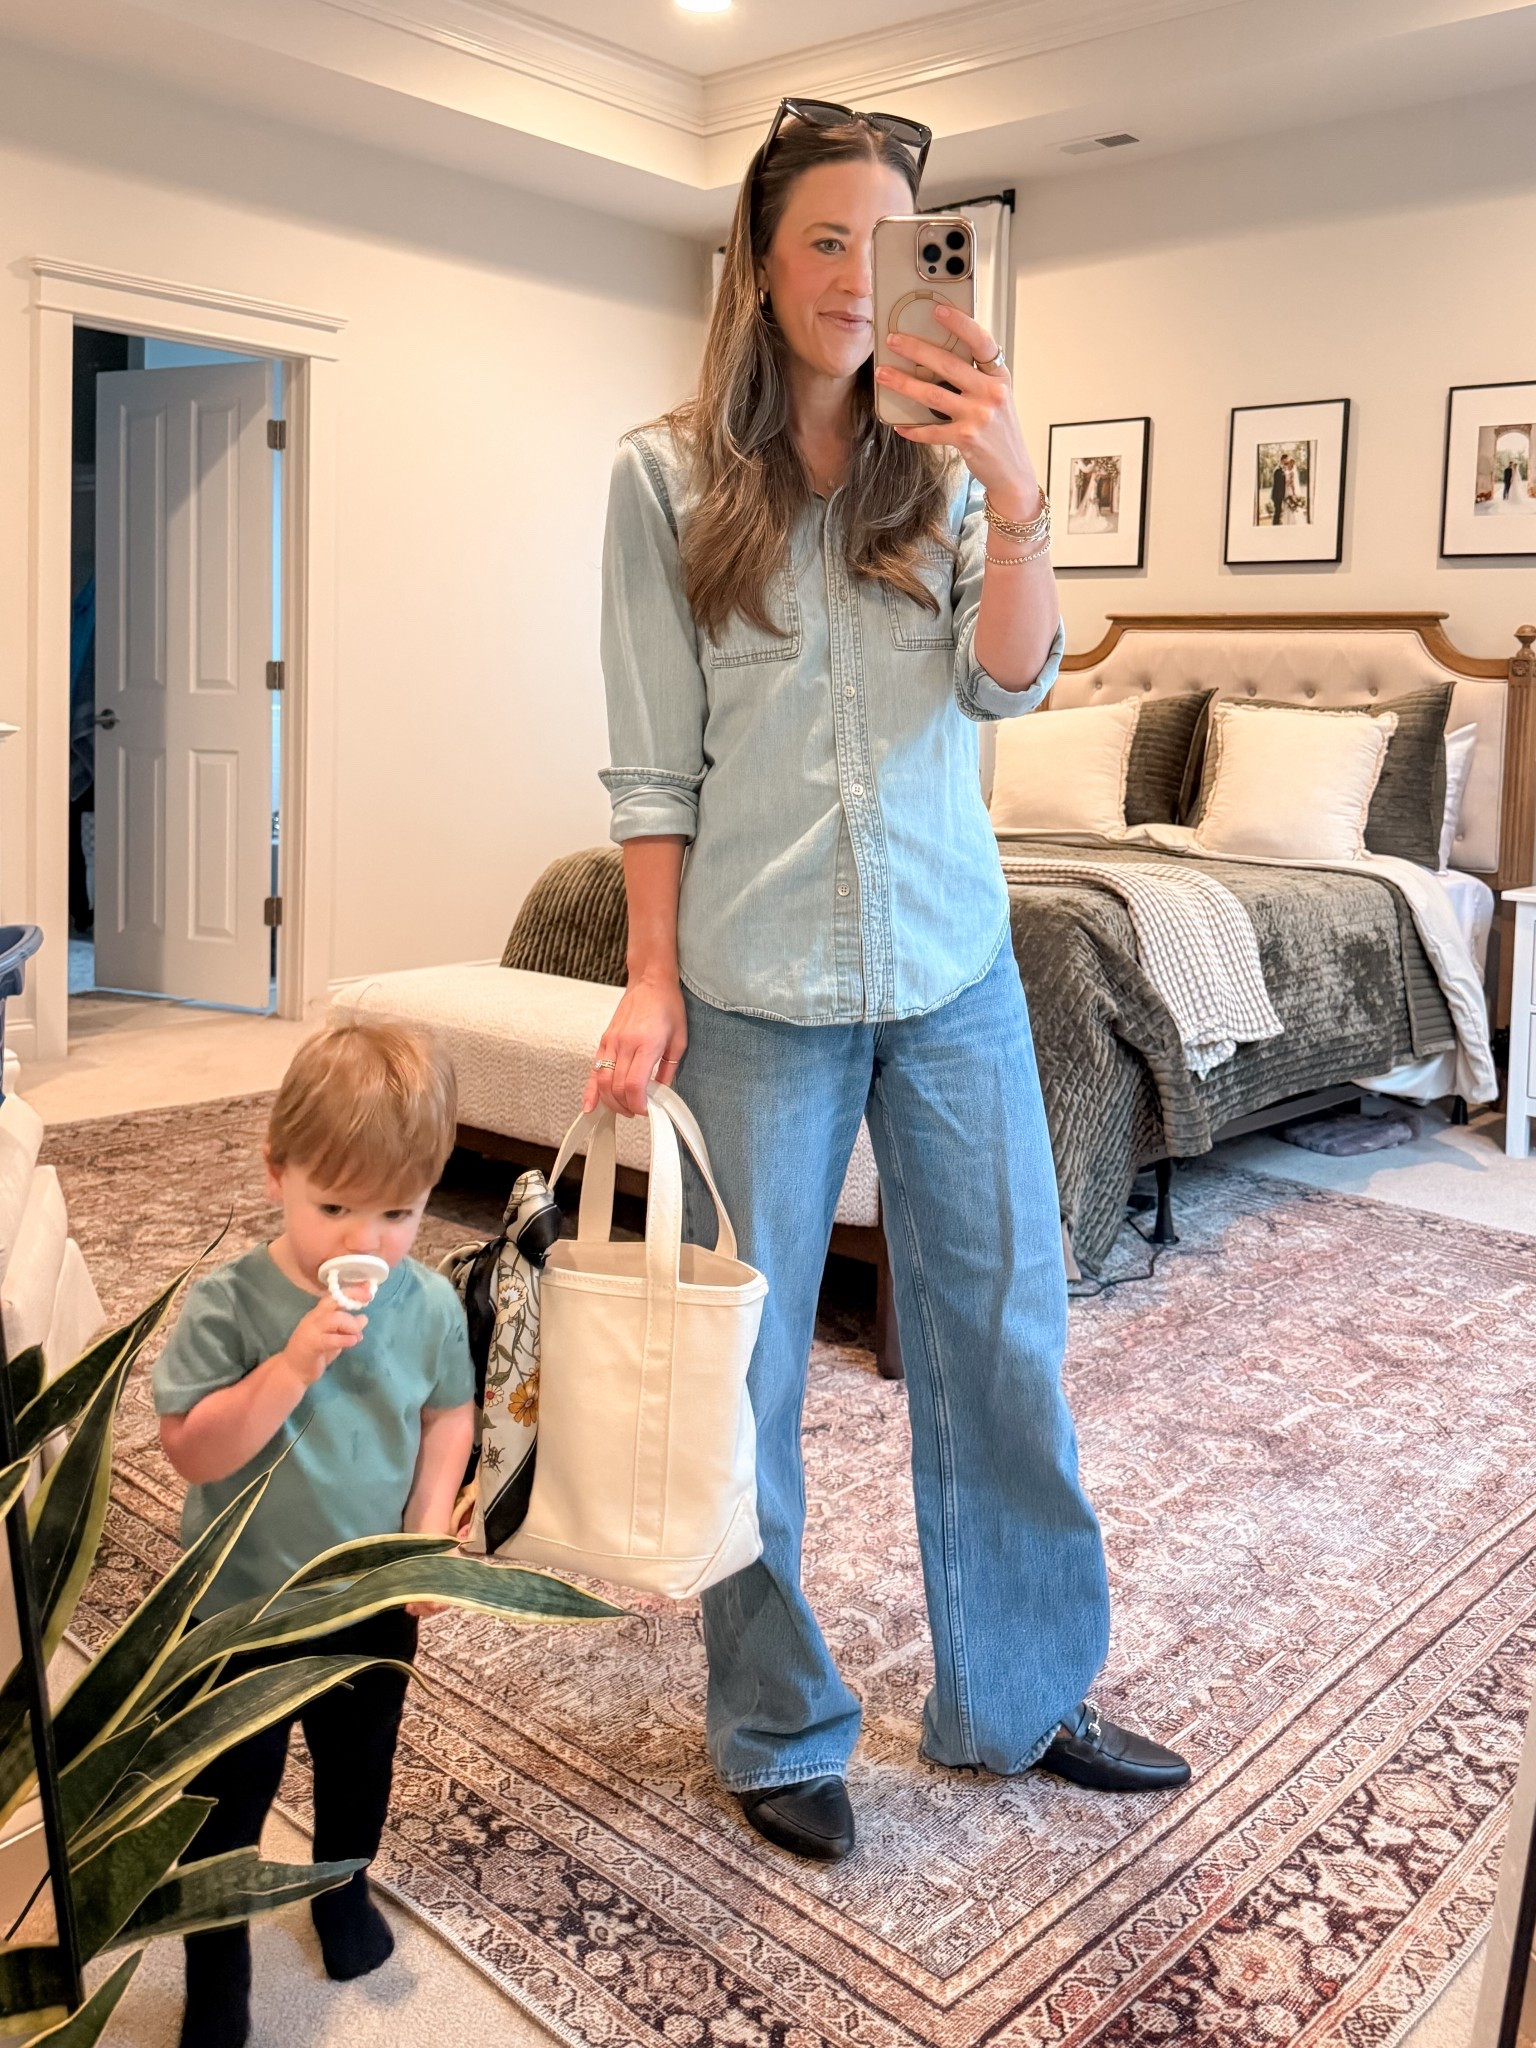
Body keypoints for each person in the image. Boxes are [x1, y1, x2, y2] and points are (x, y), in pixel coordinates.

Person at [587, 99, 1189, 1865]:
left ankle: (1020, 1692)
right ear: (762, 268)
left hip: (950, 970)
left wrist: (1016, 494)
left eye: (895, 243)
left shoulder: (951, 472)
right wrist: (644, 971)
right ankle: (776, 1720)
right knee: (748, 1365)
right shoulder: (664, 478)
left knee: (1003, 1330)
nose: (860, 278)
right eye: (824, 240)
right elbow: (651, 764)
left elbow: (1009, 691)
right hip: (755, 984)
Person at [153, 1019, 476, 2048]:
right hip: (237, 1610)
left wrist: (427, 1523)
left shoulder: (426, 1303)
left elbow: (450, 1413)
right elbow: (194, 1450)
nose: (363, 1240)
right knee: (224, 1799)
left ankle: (342, 1888)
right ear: (276, 1173)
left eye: (398, 1211)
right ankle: (218, 1962)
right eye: (332, 1205)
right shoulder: (231, 1302)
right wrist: (289, 1365)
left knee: (359, 1767)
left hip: (364, 1604)